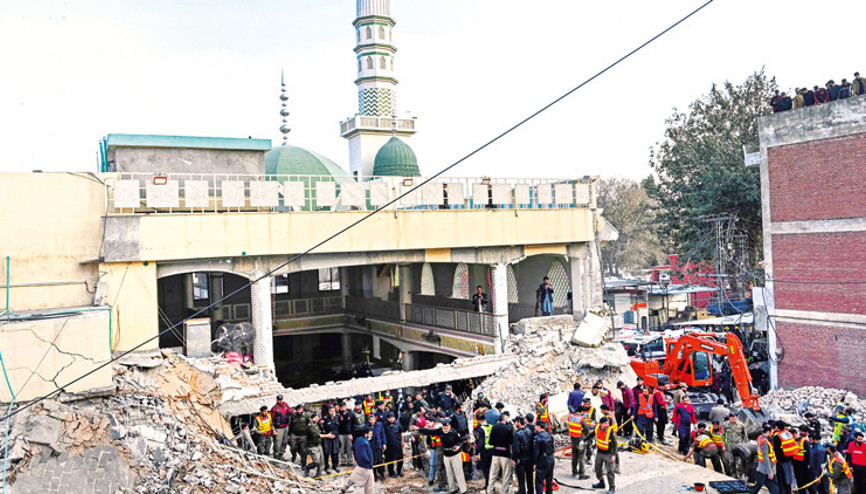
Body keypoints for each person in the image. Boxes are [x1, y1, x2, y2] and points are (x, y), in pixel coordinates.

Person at [415, 418, 469, 494]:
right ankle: (453, 488)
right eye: (444, 427)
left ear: (450, 426)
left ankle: (463, 489)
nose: (445, 429)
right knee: (449, 472)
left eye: (447, 427)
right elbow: (429, 431)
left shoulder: (453, 432)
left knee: (458, 472)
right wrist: (418, 429)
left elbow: (461, 440)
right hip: (446, 455)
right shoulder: (440, 431)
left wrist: (459, 446)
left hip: (455, 454)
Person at [342, 425, 375, 494]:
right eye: (370, 433)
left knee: (353, 478)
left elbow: (353, 448)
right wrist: (368, 460)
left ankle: (344, 488)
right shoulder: (365, 442)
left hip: (359, 464)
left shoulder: (358, 440)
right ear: (365, 434)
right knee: (370, 483)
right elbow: (363, 455)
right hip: (366, 466)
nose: (371, 434)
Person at [487, 412, 514, 494]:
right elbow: (511, 442)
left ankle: (489, 490)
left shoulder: (494, 428)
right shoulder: (509, 429)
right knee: (505, 475)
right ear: (505, 419)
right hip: (505, 454)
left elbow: (490, 442)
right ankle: (504, 491)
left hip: (495, 453)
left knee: (493, 474)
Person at [750, 424, 780, 494]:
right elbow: (766, 457)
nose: (772, 434)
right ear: (768, 432)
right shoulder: (764, 442)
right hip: (768, 469)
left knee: (757, 486)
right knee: (774, 488)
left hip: (762, 468)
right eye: (772, 432)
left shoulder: (760, 438)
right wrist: (770, 472)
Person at [592, 416, 617, 494]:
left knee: (610, 471)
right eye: (605, 423)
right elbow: (591, 434)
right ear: (601, 424)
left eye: (608, 423)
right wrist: (584, 440)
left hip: (608, 454)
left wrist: (613, 455)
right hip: (599, 453)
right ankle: (601, 483)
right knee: (597, 469)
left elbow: (615, 444)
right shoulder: (597, 428)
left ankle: (612, 488)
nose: (607, 425)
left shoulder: (610, 431)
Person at [568, 405, 593, 479]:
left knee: (574, 457)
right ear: (581, 412)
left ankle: (574, 472)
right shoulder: (581, 419)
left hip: (573, 439)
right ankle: (581, 474)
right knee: (581, 457)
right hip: (580, 439)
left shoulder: (570, 417)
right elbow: (587, 429)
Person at [774, 421, 798, 494]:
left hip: (781, 460)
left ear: (777, 427)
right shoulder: (788, 433)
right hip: (790, 458)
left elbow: (776, 450)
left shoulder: (777, 436)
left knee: (782, 480)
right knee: (788, 478)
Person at [513, 417, 535, 494]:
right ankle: (531, 491)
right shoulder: (529, 431)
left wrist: (514, 459)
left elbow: (516, 449)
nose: (514, 424)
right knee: (529, 477)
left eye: (515, 422)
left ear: (519, 422)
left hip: (521, 459)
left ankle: (522, 491)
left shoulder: (516, 434)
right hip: (529, 458)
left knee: (521, 477)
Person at [534, 421, 556, 494]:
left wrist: (535, 463)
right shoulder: (549, 435)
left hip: (542, 461)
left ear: (539, 427)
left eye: (536, 426)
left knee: (539, 481)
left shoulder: (538, 438)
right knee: (549, 480)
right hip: (551, 459)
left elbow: (536, 452)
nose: (534, 427)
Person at [304, 412, 325, 478]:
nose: (317, 419)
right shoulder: (310, 426)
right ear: (311, 418)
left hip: (318, 445)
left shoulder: (317, 425)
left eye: (317, 417)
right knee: (316, 461)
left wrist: (321, 425)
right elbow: (316, 435)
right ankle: (307, 467)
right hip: (312, 446)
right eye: (315, 418)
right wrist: (328, 436)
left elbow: (322, 430)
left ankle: (318, 476)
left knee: (321, 462)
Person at [321, 405, 341, 474]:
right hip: (327, 438)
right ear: (328, 412)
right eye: (331, 411)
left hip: (335, 437)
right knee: (326, 453)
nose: (333, 412)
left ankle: (335, 466)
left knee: (335, 452)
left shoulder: (338, 417)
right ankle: (327, 467)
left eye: (334, 411)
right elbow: (321, 427)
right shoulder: (325, 418)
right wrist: (326, 434)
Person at [792, 425, 813, 493]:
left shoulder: (800, 441)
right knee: (802, 480)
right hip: (799, 463)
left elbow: (808, 454)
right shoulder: (802, 441)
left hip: (799, 463)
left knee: (801, 480)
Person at [383, 412, 404, 477]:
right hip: (389, 446)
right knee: (390, 459)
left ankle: (399, 471)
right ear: (387, 419)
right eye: (390, 418)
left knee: (400, 458)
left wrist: (402, 442)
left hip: (397, 444)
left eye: (392, 418)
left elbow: (401, 433)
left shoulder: (398, 424)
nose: (391, 419)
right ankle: (391, 473)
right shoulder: (384, 425)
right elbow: (383, 435)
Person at [477, 414, 495, 487]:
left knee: (485, 468)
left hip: (485, 451)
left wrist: (476, 452)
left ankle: (488, 484)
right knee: (491, 468)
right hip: (493, 450)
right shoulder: (491, 427)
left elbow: (480, 442)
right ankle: (491, 484)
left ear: (479, 421)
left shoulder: (481, 429)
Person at [368, 413, 386, 481]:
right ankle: (374, 475)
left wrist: (384, 443)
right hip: (371, 446)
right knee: (373, 461)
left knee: (380, 460)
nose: (372, 421)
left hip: (378, 445)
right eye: (370, 419)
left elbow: (383, 434)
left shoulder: (379, 425)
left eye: (373, 419)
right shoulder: (367, 427)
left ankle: (381, 474)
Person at [338, 402, 356, 467]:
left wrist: (352, 433)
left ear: (346, 406)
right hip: (341, 434)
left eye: (344, 407)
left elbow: (354, 423)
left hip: (349, 433)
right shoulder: (338, 415)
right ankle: (343, 461)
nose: (343, 408)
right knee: (341, 448)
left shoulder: (350, 413)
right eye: (341, 407)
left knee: (349, 448)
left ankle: (350, 461)